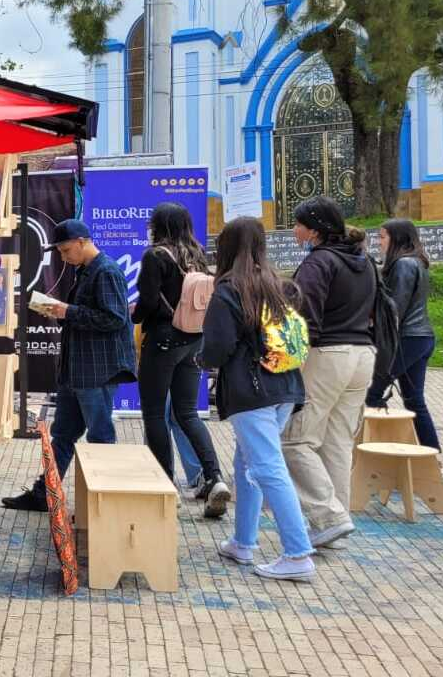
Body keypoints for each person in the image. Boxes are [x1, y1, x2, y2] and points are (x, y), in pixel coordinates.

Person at [200, 217, 315, 582]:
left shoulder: (229, 290)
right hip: (285, 387)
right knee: (248, 462)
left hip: (251, 392)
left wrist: (200, 360)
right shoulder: (279, 285)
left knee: (267, 467)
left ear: (226, 249)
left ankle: (297, 553)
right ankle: (243, 542)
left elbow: (218, 348)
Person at [2, 219, 136, 511]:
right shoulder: (87, 271)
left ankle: (105, 503)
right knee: (62, 435)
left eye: (65, 251)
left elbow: (115, 318)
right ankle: (44, 494)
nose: (64, 258)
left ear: (81, 241)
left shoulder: (106, 271)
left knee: (100, 435)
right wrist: (62, 311)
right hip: (76, 370)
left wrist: (68, 310)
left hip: (95, 371)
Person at [283, 197, 376, 548]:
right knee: (336, 442)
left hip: (328, 355)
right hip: (363, 354)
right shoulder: (362, 260)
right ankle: (335, 524)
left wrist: (294, 358)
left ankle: (328, 516)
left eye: (299, 224)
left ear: (315, 230)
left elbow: (304, 317)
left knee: (295, 440)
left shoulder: (318, 263)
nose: (295, 229)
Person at [131, 202, 229, 517]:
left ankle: (164, 483)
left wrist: (136, 314)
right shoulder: (199, 254)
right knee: (187, 412)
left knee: (155, 414)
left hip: (163, 340)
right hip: (194, 340)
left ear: (158, 225)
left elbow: (147, 301)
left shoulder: (156, 255)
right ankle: (213, 478)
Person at [366, 219, 439, 450]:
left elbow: (394, 307)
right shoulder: (417, 261)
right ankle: (432, 456)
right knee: (414, 401)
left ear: (396, 238)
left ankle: (381, 458)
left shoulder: (404, 264)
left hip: (407, 339)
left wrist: (373, 329)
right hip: (421, 337)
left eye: (383, 237)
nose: (379, 242)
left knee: (372, 393)